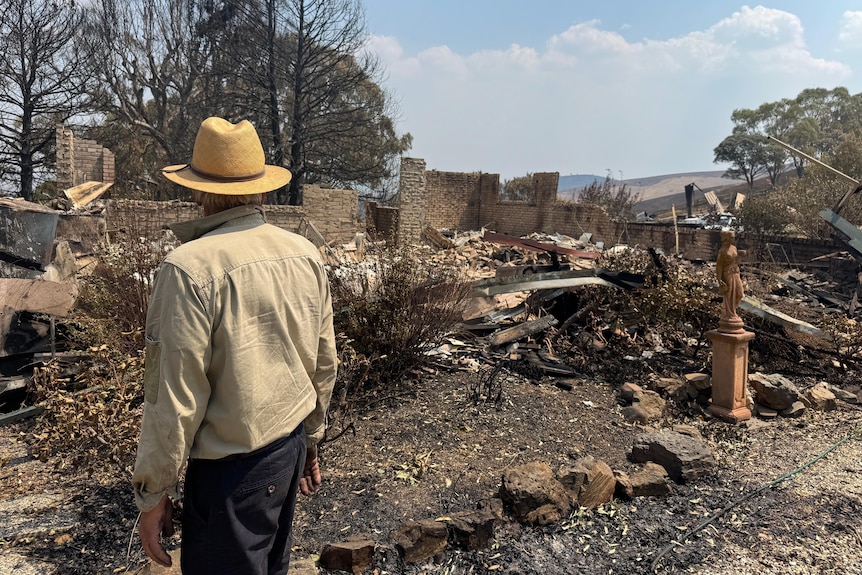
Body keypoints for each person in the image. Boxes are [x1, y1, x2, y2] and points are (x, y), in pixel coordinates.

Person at [131, 117, 337, 575]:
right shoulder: (303, 253)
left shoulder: (188, 268)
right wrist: (312, 442)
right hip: (288, 453)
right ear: (262, 191)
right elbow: (323, 365)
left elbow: (172, 397)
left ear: (198, 192)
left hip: (231, 476)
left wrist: (152, 493)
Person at [716, 229, 746, 326]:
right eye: (732, 237)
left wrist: (740, 256)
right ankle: (729, 314)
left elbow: (737, 262)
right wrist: (719, 280)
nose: (733, 239)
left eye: (734, 237)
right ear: (727, 238)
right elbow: (719, 266)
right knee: (729, 296)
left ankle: (733, 312)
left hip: (736, 273)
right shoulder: (722, 251)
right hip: (727, 274)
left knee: (739, 293)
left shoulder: (734, 248)